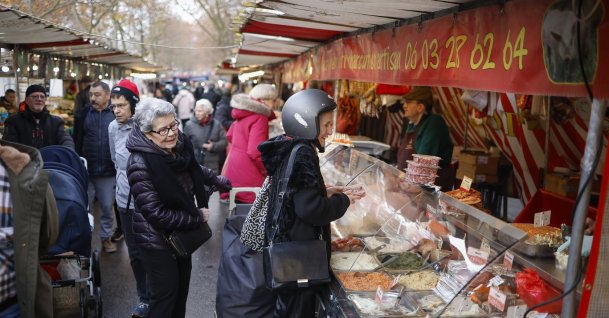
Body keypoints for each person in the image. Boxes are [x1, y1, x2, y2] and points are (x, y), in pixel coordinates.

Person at [259, 89, 364, 317]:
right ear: (306, 122)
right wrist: (343, 200)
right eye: (326, 125)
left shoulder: (290, 146)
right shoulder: (304, 152)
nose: (330, 131)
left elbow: (295, 193)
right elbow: (311, 210)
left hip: (288, 249)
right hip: (298, 258)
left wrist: (324, 191)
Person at [126, 98, 232, 318]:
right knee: (164, 297)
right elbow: (156, 214)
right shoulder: (140, 162)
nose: (172, 133)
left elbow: (191, 168)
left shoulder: (177, 146)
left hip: (180, 235)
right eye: (163, 129)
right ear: (147, 133)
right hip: (155, 240)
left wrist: (216, 178)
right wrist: (195, 217)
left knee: (181, 291)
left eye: (173, 124)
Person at [0, 140, 59, 318]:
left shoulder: (23, 169)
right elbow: (47, 235)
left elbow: (45, 235)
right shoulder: (18, 170)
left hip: (12, 304)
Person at [108, 79, 150, 317]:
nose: (116, 110)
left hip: (149, 202)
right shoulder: (113, 128)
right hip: (124, 201)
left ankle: (160, 295)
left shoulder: (146, 126)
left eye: (121, 105)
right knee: (134, 254)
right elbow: (116, 162)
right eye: (113, 106)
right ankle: (144, 297)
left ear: (134, 104)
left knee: (153, 251)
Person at [73, 81, 118, 253]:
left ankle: (106, 238)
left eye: (97, 94)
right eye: (91, 94)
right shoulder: (83, 114)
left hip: (108, 171)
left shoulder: (115, 113)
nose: (93, 97)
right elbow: (77, 139)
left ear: (108, 95)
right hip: (86, 170)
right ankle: (85, 241)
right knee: (85, 207)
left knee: (107, 207)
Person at [222, 84, 277, 204]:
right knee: (251, 216)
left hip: (235, 170)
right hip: (250, 175)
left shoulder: (243, 112)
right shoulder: (260, 117)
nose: (275, 104)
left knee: (237, 214)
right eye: (273, 100)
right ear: (263, 100)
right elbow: (255, 152)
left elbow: (230, 135)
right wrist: (268, 170)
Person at [398, 86, 454, 191]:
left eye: (409, 102)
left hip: (430, 190)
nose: (404, 106)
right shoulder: (413, 124)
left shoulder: (434, 123)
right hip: (410, 185)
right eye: (404, 102)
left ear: (420, 107)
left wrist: (407, 180)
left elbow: (423, 160)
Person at [3, 84, 74, 149]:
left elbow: (66, 139)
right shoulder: (13, 122)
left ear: (45, 100)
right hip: (25, 162)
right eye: (34, 96)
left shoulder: (56, 122)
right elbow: (9, 146)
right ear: (27, 100)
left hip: (50, 161)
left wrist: (67, 151)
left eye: (42, 97)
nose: (39, 99)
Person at [184, 99, 227, 174]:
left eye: (200, 111)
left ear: (207, 113)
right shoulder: (189, 125)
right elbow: (184, 145)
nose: (197, 113)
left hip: (212, 166)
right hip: (195, 165)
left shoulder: (217, 125)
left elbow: (224, 142)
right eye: (196, 110)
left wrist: (213, 146)